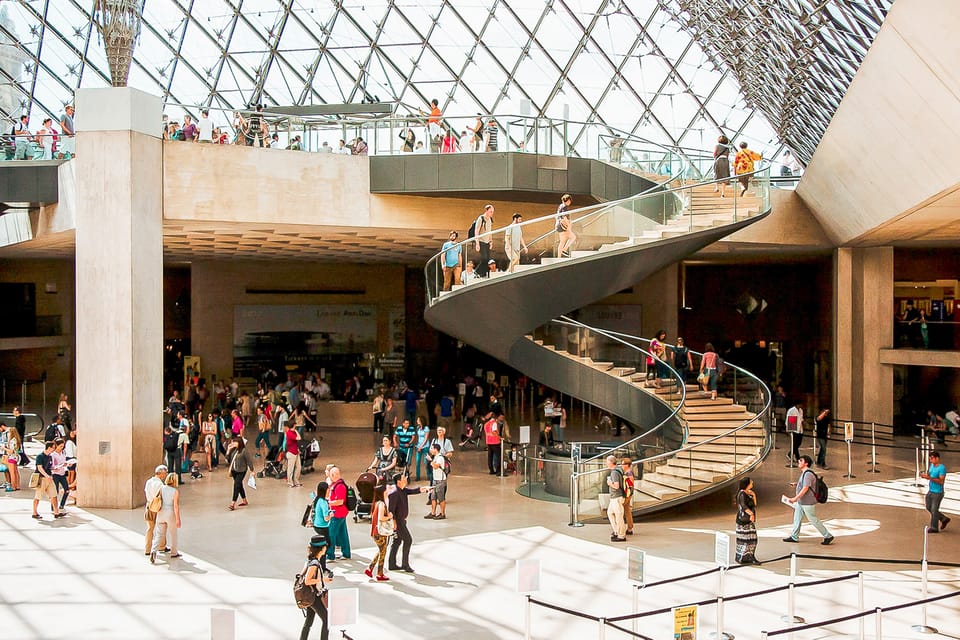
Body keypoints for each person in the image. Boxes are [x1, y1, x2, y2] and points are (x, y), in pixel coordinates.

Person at [782, 455, 833, 545]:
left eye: (801, 460)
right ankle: (794, 536)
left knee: (813, 519)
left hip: (807, 502)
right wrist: (797, 484)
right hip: (802, 502)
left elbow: (805, 488)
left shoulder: (808, 474)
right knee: (797, 519)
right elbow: (806, 484)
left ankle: (827, 535)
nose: (798, 461)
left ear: (806, 463)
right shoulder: (805, 473)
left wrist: (795, 498)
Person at [387, 472, 430, 572]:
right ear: (398, 482)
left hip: (402, 520)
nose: (406, 479)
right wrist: (394, 524)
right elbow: (391, 510)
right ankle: (405, 564)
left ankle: (392, 564)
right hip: (398, 522)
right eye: (403, 478)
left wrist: (422, 489)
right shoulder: (394, 493)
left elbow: (412, 491)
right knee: (408, 540)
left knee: (397, 541)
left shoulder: (402, 490)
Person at [299, 535, 333, 640]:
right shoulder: (314, 563)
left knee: (309, 621)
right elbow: (307, 580)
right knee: (327, 620)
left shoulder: (310, 560)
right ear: (321, 549)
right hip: (314, 596)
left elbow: (301, 575)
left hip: (309, 594)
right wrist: (323, 580)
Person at [150, 473, 181, 563]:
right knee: (173, 534)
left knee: (159, 534)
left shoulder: (161, 488)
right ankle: (174, 552)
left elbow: (157, 498)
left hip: (161, 512)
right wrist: (178, 519)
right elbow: (176, 506)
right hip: (170, 513)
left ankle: (153, 550)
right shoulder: (175, 491)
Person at [365, 484, 393, 581]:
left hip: (375, 532)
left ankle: (370, 568)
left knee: (382, 550)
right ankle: (379, 573)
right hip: (380, 532)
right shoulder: (381, 504)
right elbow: (381, 518)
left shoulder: (377, 503)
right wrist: (389, 517)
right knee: (383, 552)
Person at [919, 451, 950, 533]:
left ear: (937, 458)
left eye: (932, 458)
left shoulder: (942, 468)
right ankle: (943, 518)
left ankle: (934, 527)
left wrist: (929, 478)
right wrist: (924, 475)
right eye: (930, 458)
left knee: (934, 509)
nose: (930, 460)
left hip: (938, 492)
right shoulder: (932, 466)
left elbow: (941, 481)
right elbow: (929, 474)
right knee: (929, 507)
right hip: (931, 490)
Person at [31, 441, 62, 520]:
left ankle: (56, 512)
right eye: (53, 448)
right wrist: (46, 475)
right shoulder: (40, 456)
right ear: (49, 448)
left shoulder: (50, 457)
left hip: (49, 478)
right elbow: (39, 468)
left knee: (54, 494)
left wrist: (57, 468)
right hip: (42, 479)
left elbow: (50, 467)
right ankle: (34, 512)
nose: (54, 450)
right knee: (38, 496)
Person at [326, 467, 352, 561]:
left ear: (333, 475)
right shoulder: (336, 484)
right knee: (342, 533)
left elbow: (340, 501)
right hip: (341, 513)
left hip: (337, 513)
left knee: (331, 534)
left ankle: (330, 555)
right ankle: (346, 553)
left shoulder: (340, 486)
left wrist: (329, 503)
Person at [735, 477, 761, 565]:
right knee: (746, 539)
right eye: (751, 482)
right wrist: (751, 514)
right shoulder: (742, 493)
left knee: (751, 539)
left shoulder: (748, 493)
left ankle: (748, 556)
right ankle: (744, 557)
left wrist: (754, 495)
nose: (752, 483)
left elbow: (755, 504)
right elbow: (743, 506)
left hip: (748, 521)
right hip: (744, 520)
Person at [143, 465, 167, 555]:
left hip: (149, 506)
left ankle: (147, 549)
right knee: (161, 527)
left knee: (149, 528)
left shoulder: (148, 482)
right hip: (158, 508)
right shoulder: (160, 484)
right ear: (161, 473)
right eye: (165, 473)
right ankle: (161, 546)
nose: (165, 475)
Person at [226, 436, 255, 510]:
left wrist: (252, 470)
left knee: (236, 485)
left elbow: (249, 461)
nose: (233, 443)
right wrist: (228, 450)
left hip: (241, 470)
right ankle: (244, 500)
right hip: (234, 470)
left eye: (235, 442)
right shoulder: (233, 450)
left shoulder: (244, 451)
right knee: (239, 485)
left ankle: (233, 503)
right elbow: (227, 459)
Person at [605, 455, 626, 542]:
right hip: (615, 497)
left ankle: (621, 535)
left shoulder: (614, 472)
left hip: (616, 497)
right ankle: (617, 530)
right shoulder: (618, 469)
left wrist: (609, 483)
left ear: (610, 462)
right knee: (610, 513)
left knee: (619, 516)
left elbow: (616, 486)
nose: (606, 463)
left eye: (607, 461)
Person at [425, 442, 448, 519]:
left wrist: (430, 460)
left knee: (441, 498)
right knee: (433, 497)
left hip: (440, 481)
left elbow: (435, 466)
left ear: (436, 449)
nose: (430, 450)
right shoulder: (435, 457)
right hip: (435, 480)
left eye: (432, 448)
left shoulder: (440, 458)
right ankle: (433, 512)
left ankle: (442, 513)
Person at [473, 204, 494, 277]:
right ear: (486, 211)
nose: (492, 213)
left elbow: (490, 231)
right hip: (481, 241)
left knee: (487, 259)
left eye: (493, 212)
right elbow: (476, 231)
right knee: (484, 258)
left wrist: (491, 241)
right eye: (491, 211)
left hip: (487, 241)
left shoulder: (490, 220)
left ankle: (483, 274)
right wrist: (477, 243)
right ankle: (477, 271)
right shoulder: (481, 218)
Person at [282, 419, 302, 487]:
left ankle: (296, 481)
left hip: (296, 452)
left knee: (298, 467)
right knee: (290, 468)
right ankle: (290, 482)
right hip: (291, 453)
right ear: (294, 425)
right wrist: (296, 431)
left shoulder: (292, 432)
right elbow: (299, 438)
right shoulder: (290, 433)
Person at [621, 458, 635, 536]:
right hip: (628, 493)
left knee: (620, 509)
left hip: (627, 494)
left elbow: (630, 483)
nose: (622, 465)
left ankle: (621, 528)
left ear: (627, 465)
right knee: (627, 510)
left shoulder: (628, 472)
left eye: (623, 464)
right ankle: (630, 528)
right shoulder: (628, 472)